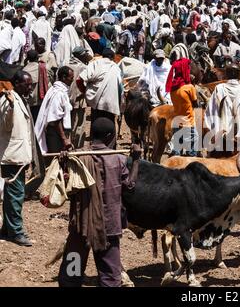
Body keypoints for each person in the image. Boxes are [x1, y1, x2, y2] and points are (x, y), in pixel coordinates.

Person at [57, 117, 141, 287]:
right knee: (110, 276)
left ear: (91, 134)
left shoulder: (78, 157)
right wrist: (136, 159)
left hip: (81, 225)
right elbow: (130, 187)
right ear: (110, 137)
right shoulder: (118, 160)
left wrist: (64, 160)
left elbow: (64, 183)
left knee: (71, 273)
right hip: (108, 228)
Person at [0, 71, 42, 246]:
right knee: (16, 196)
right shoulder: (7, 101)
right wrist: (10, 107)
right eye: (27, 84)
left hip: (19, 155)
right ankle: (16, 232)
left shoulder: (20, 99)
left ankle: (7, 229)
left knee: (12, 196)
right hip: (12, 157)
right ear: (16, 83)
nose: (30, 87)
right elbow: (5, 123)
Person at [205, 63, 240, 152]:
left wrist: (216, 131)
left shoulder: (219, 88)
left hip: (222, 137)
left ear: (226, 74)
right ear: (239, 74)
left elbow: (212, 111)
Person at [78, 48, 123, 148]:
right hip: (111, 105)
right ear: (112, 58)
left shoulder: (95, 64)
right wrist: (119, 104)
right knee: (110, 125)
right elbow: (121, 88)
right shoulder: (116, 68)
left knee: (96, 125)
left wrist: (85, 92)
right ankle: (110, 149)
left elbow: (79, 79)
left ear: (103, 56)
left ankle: (95, 148)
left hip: (96, 104)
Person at [35, 66, 74, 154]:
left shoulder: (57, 90)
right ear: (64, 77)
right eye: (71, 78)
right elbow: (56, 118)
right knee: (55, 159)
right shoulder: (58, 93)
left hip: (58, 132)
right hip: (55, 133)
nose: (72, 80)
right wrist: (64, 139)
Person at [165, 55, 198, 157]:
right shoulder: (189, 88)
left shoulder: (172, 89)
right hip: (189, 124)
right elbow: (195, 105)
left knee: (177, 152)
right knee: (191, 152)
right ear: (184, 70)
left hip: (177, 123)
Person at [67, 47, 92, 149]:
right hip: (79, 100)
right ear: (79, 56)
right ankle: (76, 147)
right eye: (84, 54)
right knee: (79, 124)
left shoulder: (64, 65)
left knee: (68, 123)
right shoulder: (83, 67)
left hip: (66, 100)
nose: (86, 56)